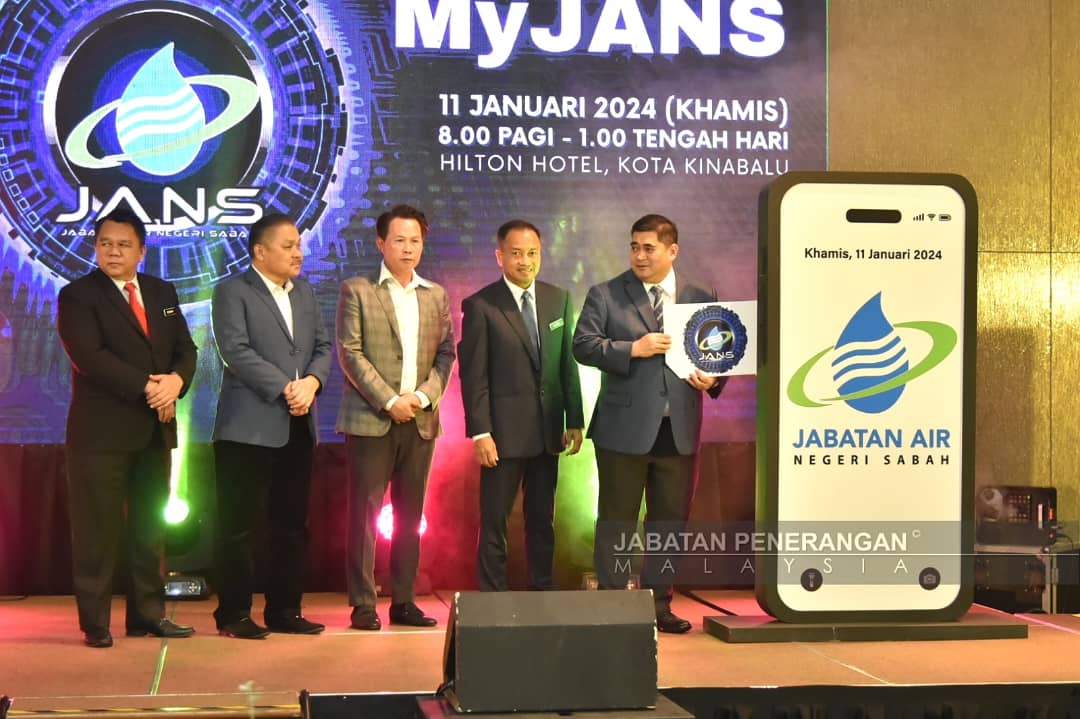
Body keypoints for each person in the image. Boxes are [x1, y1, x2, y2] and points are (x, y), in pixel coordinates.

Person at [572, 213, 725, 634]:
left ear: (672, 251)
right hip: (623, 429)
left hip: (679, 430)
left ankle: (659, 605)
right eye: (634, 247)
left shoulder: (701, 295)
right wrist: (631, 349)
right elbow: (583, 346)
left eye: (649, 248)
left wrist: (714, 379)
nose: (639, 256)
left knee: (669, 523)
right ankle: (613, 606)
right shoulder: (606, 293)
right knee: (616, 522)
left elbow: (720, 351)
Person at [57, 208, 197, 648]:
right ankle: (95, 623)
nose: (113, 252)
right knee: (96, 533)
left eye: (123, 245)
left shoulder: (161, 292)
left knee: (149, 531)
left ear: (141, 250)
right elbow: (90, 357)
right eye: (105, 244)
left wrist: (176, 382)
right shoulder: (78, 296)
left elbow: (185, 350)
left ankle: (147, 616)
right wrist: (150, 388)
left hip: (154, 431)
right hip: (100, 436)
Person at [210, 213, 332, 639]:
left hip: (298, 425)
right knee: (238, 527)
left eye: (298, 245)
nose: (298, 253)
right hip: (246, 428)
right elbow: (235, 351)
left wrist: (312, 383)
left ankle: (285, 610)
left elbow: (322, 346)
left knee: (292, 526)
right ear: (259, 252)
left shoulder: (305, 292)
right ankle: (234, 613)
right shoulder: (232, 291)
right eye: (288, 246)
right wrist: (285, 388)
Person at [336, 204, 455, 630]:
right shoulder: (357, 289)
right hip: (372, 420)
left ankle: (404, 600)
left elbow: (446, 354)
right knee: (365, 516)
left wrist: (422, 397)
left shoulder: (435, 295)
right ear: (380, 243)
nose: (408, 249)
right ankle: (363, 604)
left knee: (410, 516)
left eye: (415, 241)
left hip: (420, 422)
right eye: (399, 240)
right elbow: (350, 353)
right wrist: (389, 401)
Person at [458, 220, 584, 591]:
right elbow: (473, 376)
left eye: (532, 253)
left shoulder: (558, 298)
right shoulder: (481, 305)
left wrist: (574, 419)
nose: (525, 261)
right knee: (494, 521)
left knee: (542, 521)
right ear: (499, 256)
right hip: (501, 436)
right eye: (516, 253)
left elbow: (567, 364)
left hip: (548, 433)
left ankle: (541, 591)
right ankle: (492, 598)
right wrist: (480, 432)